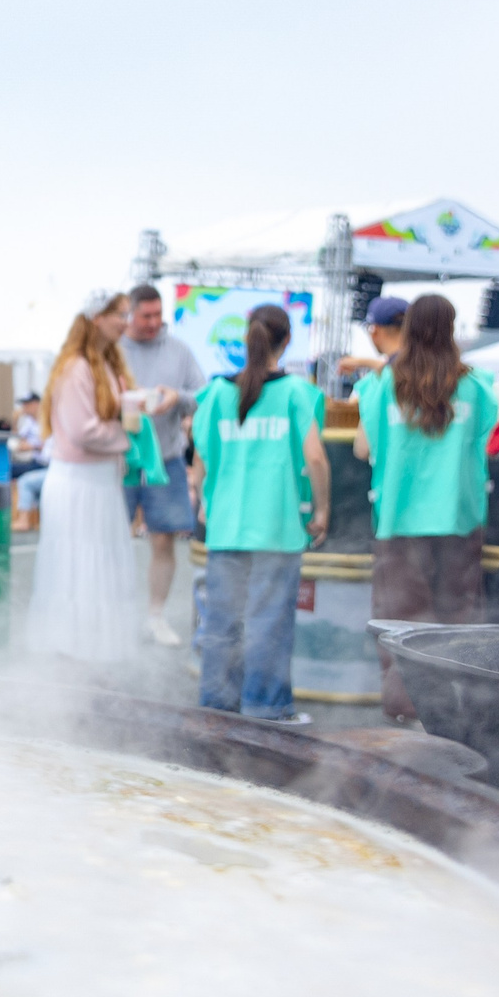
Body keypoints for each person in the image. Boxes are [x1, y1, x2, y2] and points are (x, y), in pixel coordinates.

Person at [353, 295, 496, 720]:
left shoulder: (383, 383)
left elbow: (365, 448)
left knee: (401, 619)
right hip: (461, 515)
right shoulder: (477, 384)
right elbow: (483, 443)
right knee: (460, 615)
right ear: (452, 329)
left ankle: (408, 713)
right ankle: (462, 709)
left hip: (399, 517)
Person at [191, 304, 327, 723]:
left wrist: (203, 501)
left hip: (226, 524)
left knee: (221, 622)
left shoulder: (216, 393)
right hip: (278, 526)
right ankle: (267, 709)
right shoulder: (296, 393)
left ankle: (217, 708)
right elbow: (316, 459)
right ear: (285, 342)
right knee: (268, 622)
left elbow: (201, 459)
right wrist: (321, 509)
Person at [27, 290, 143, 659]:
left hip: (100, 483)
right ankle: (72, 653)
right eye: (120, 314)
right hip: (78, 484)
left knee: (97, 569)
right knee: (78, 570)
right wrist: (129, 438)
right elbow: (82, 430)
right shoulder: (76, 367)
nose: (126, 322)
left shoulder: (107, 364)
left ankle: (91, 652)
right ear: (97, 317)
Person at [118, 283, 207, 642]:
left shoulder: (179, 351)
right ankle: (115, 614)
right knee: (111, 538)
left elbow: (202, 395)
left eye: (159, 315)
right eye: (146, 316)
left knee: (164, 540)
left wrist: (178, 397)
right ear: (130, 313)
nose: (154, 323)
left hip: (167, 458)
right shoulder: (113, 350)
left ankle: (155, 616)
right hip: (118, 461)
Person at [337, 294, 409, 379]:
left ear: (375, 331)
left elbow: (393, 369)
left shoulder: (394, 374)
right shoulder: (422, 363)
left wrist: (361, 362)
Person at [9, 392, 49, 531]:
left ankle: (23, 519)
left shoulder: (47, 420)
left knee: (24, 481)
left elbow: (49, 448)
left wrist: (33, 446)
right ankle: (15, 514)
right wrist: (15, 420)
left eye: (27, 405)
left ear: (36, 404)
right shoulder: (30, 422)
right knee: (8, 470)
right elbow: (18, 441)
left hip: (48, 464)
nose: (24, 408)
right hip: (35, 461)